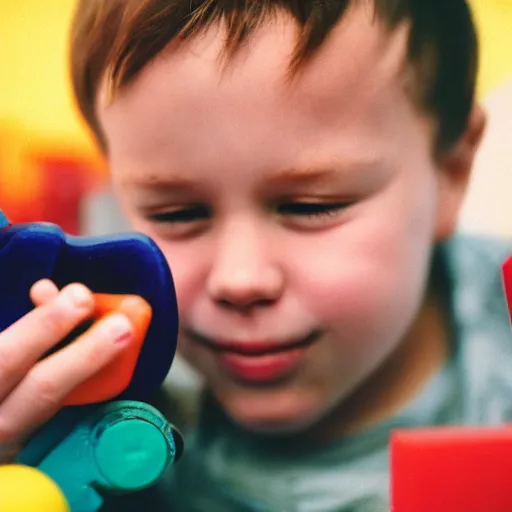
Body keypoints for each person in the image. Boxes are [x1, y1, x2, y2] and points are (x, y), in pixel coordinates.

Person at [2, 1, 512, 510]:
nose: (240, 279)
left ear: (452, 170)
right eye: (176, 213)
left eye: (311, 207)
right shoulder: (83, 401)